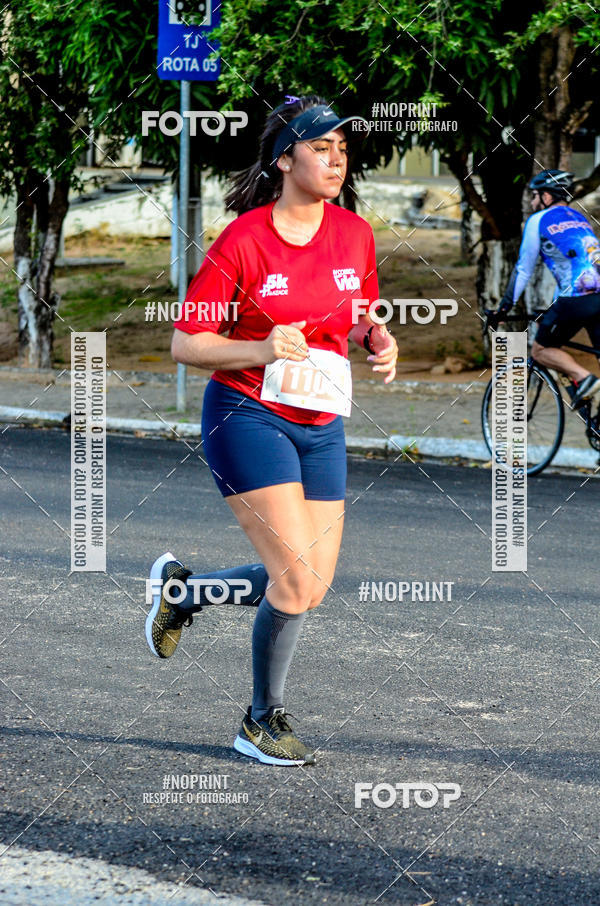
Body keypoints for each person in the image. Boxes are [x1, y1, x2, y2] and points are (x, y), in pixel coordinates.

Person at [144, 94, 398, 766]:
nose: (336, 158)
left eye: (343, 148)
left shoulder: (355, 233)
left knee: (311, 585)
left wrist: (376, 340)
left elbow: (357, 315)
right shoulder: (244, 240)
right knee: (291, 581)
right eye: (321, 147)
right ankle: (261, 721)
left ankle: (185, 593)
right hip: (246, 413)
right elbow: (187, 344)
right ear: (286, 158)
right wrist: (258, 349)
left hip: (322, 422)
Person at [492, 168, 600, 407]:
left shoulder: (537, 221)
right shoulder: (580, 219)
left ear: (547, 197)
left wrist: (503, 308)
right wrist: (551, 310)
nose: (532, 201)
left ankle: (585, 379)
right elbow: (572, 269)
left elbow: (523, 269)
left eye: (535, 195)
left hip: (576, 298)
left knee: (540, 351)